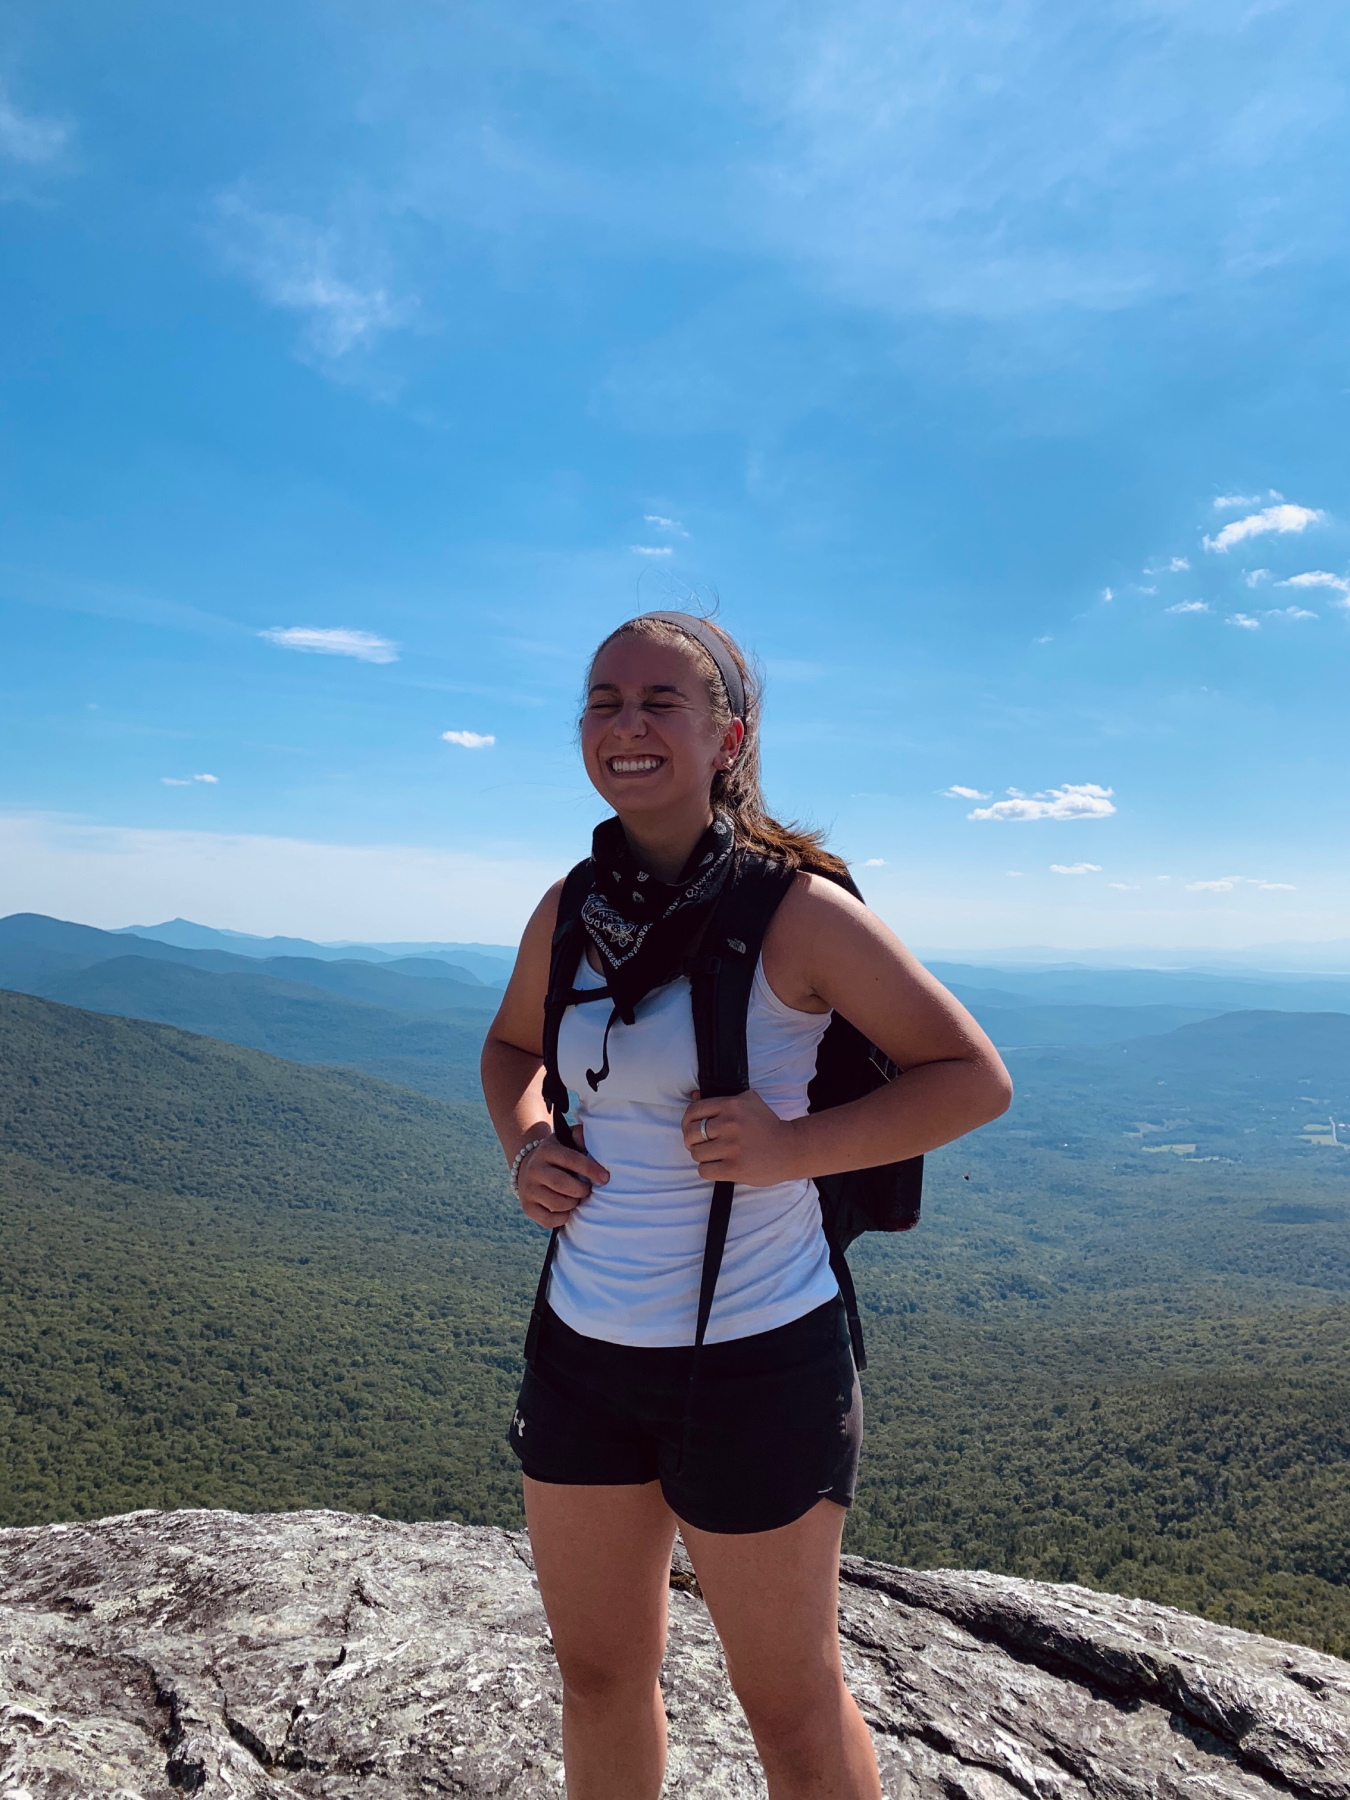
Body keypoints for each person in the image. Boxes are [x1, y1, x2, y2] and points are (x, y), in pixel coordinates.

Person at [481, 612, 1012, 1800]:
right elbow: (512, 1046)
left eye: (660, 702)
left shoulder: (796, 911)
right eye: (604, 700)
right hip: (580, 1355)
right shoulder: (573, 907)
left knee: (788, 1706)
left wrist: (795, 1149)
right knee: (598, 1674)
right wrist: (526, 1145)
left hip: (759, 1359)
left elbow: (974, 1077)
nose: (626, 725)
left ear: (730, 733)